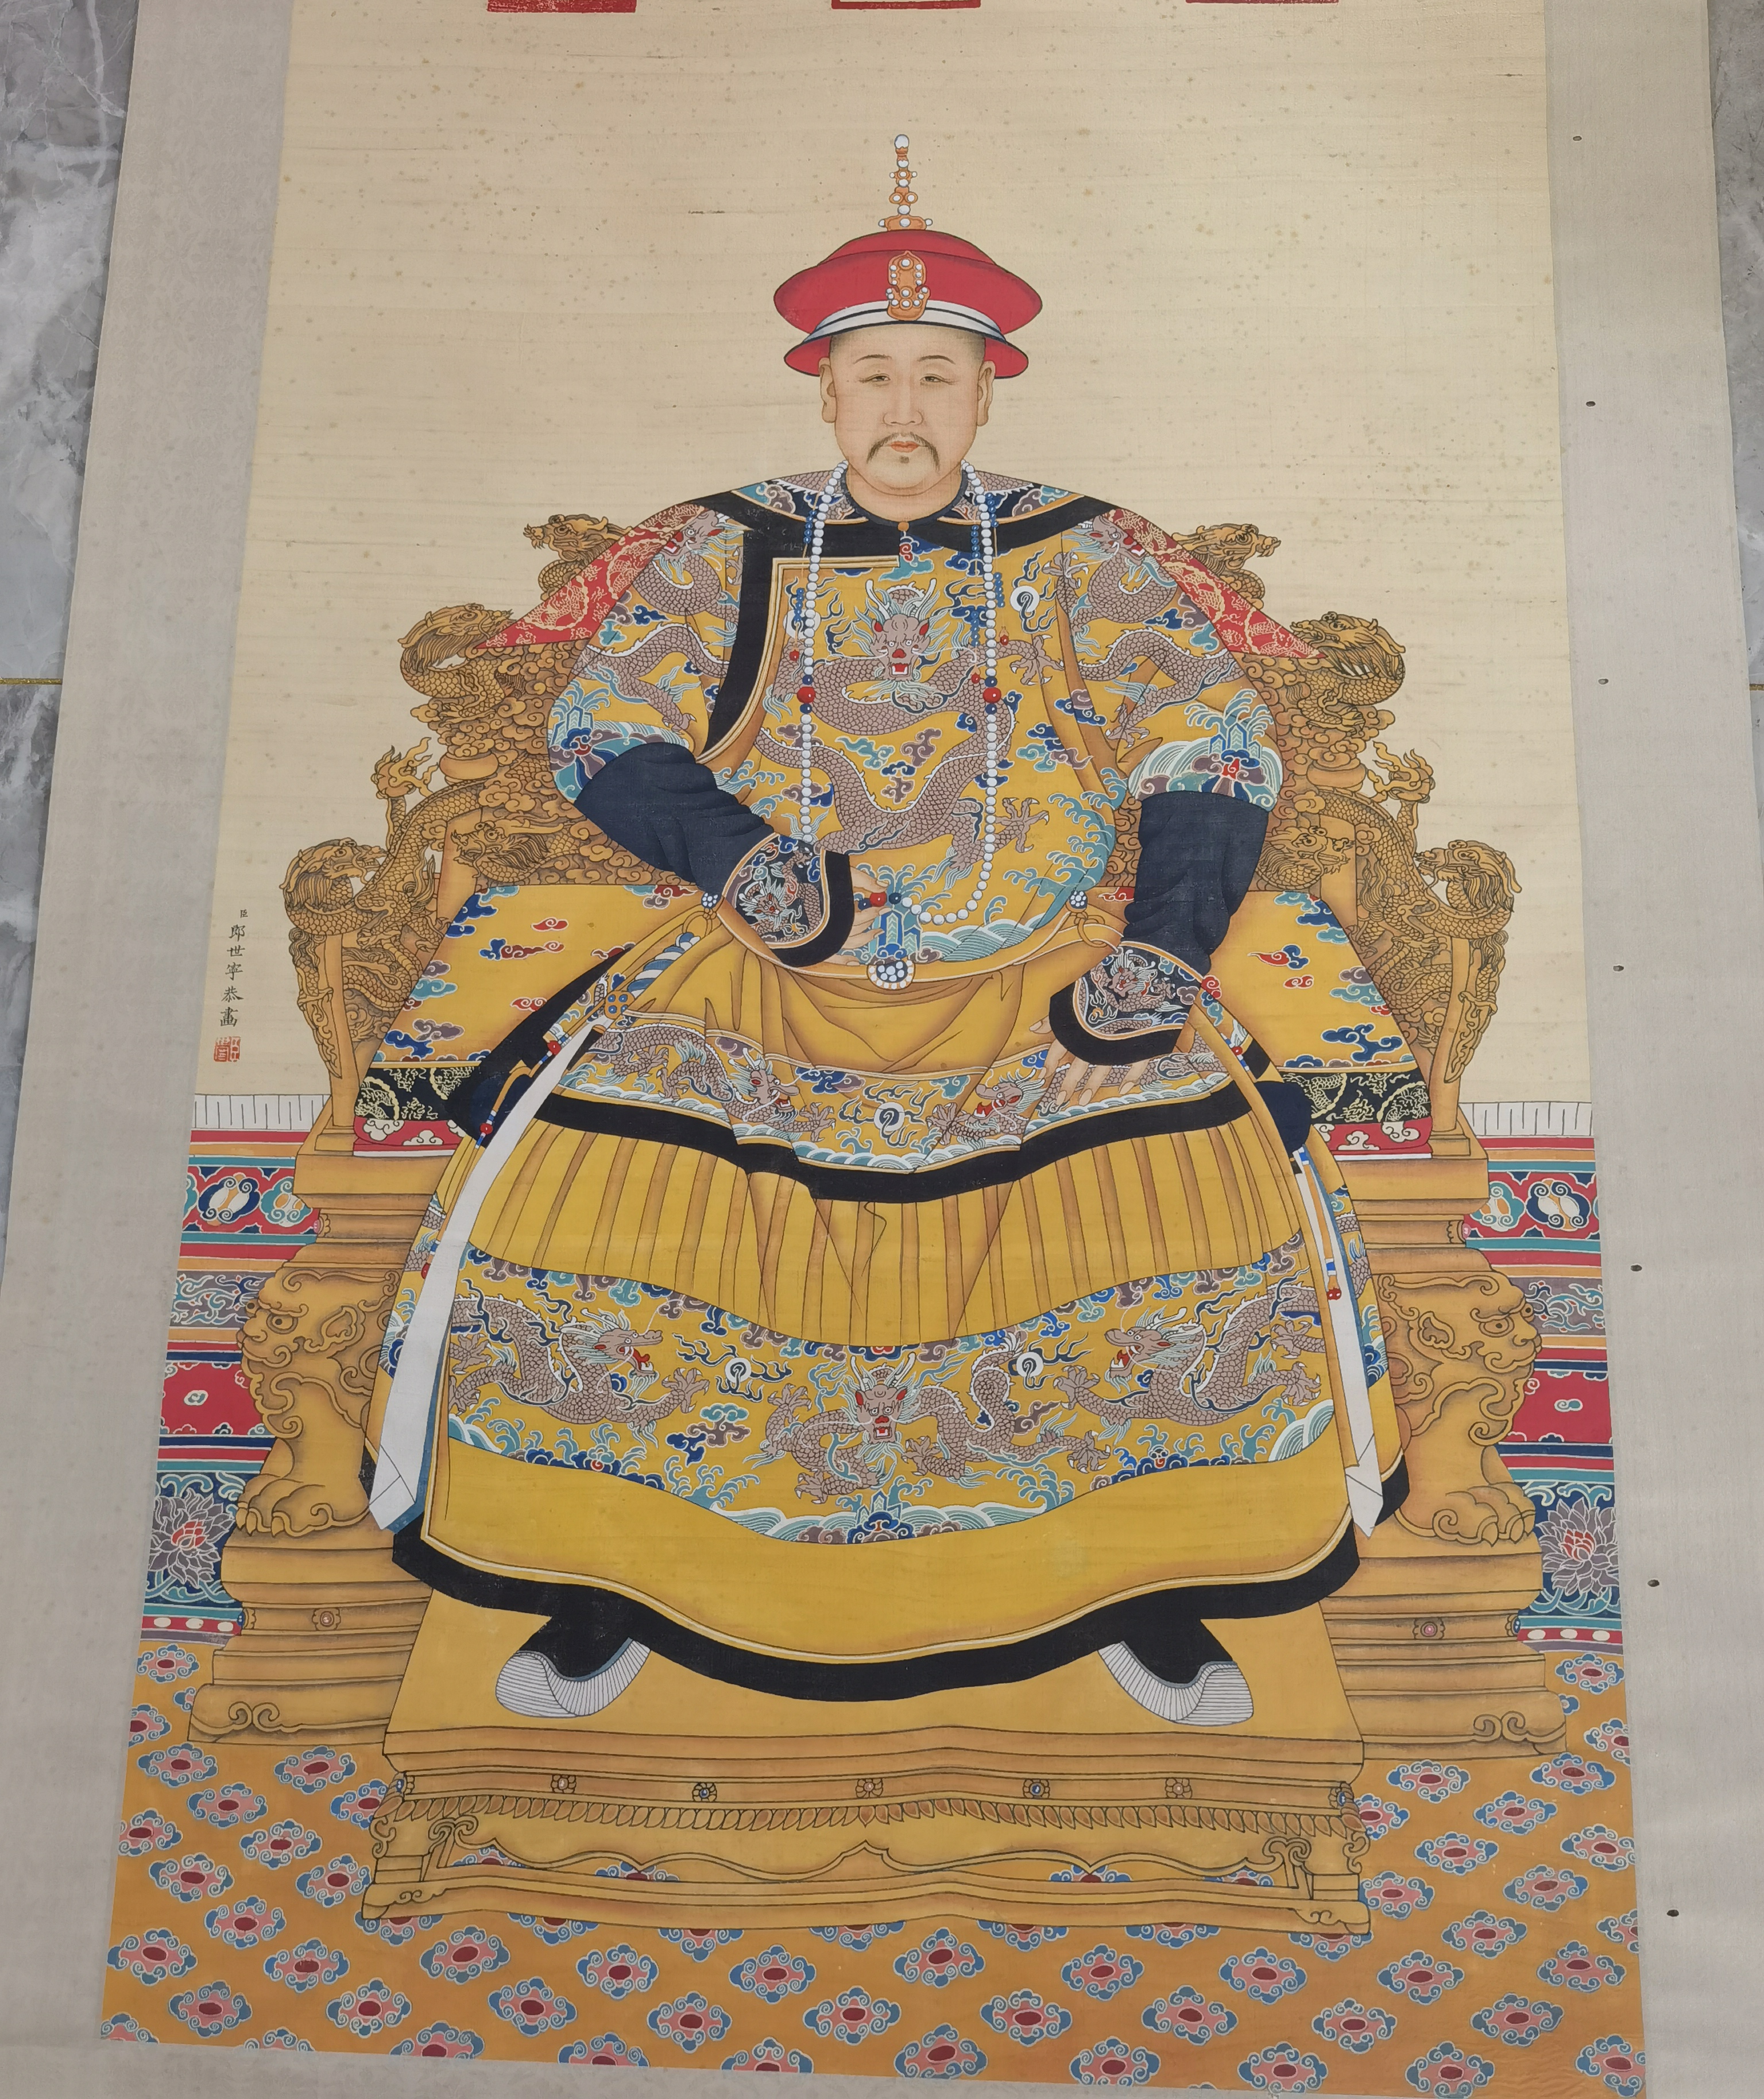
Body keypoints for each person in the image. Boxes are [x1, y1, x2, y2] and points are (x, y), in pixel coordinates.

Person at [366, 140, 1401, 1731]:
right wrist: (756, 872)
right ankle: (607, 1574)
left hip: (1044, 969)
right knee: (599, 1209)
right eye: (874, 377)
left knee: (1174, 1208)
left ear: (987, 393)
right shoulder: (725, 544)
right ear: (825, 392)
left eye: (937, 377)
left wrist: (1166, 947)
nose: (904, 410)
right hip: (774, 955)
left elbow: (1209, 745)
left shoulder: (1086, 551)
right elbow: (603, 728)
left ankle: (1148, 1579)